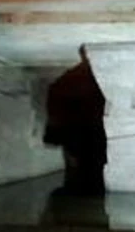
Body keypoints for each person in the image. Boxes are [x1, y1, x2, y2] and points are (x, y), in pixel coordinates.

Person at [44, 46, 107, 195]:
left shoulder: (70, 78)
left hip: (82, 130)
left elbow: (55, 98)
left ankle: (82, 194)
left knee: (85, 165)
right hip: (85, 129)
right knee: (89, 165)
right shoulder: (75, 78)